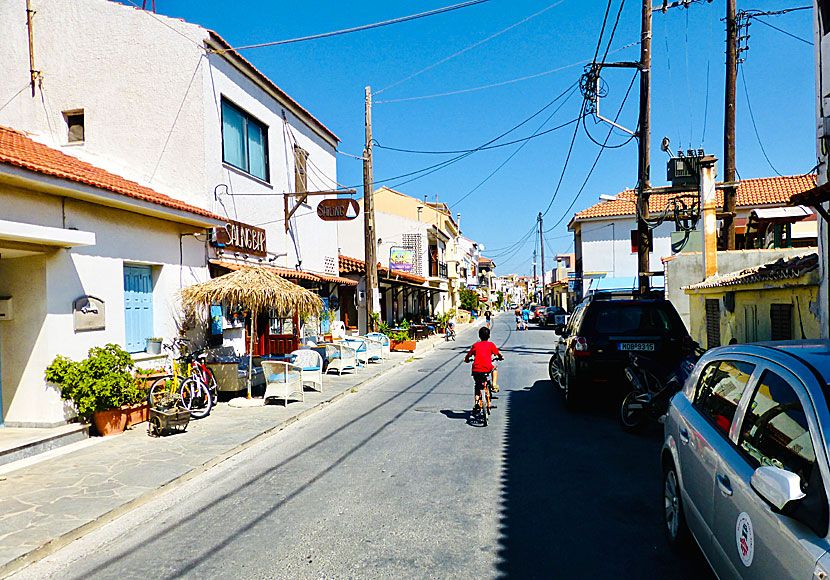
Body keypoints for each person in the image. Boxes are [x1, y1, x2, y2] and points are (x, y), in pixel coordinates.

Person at [464, 326, 503, 414]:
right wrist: (500, 357)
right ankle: (494, 384)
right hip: (487, 368)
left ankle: (476, 403)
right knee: (495, 366)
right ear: (489, 336)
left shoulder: (475, 345)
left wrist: (466, 360)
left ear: (479, 336)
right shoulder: (491, 345)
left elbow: (468, 355)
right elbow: (498, 353)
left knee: (477, 386)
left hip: (476, 370)